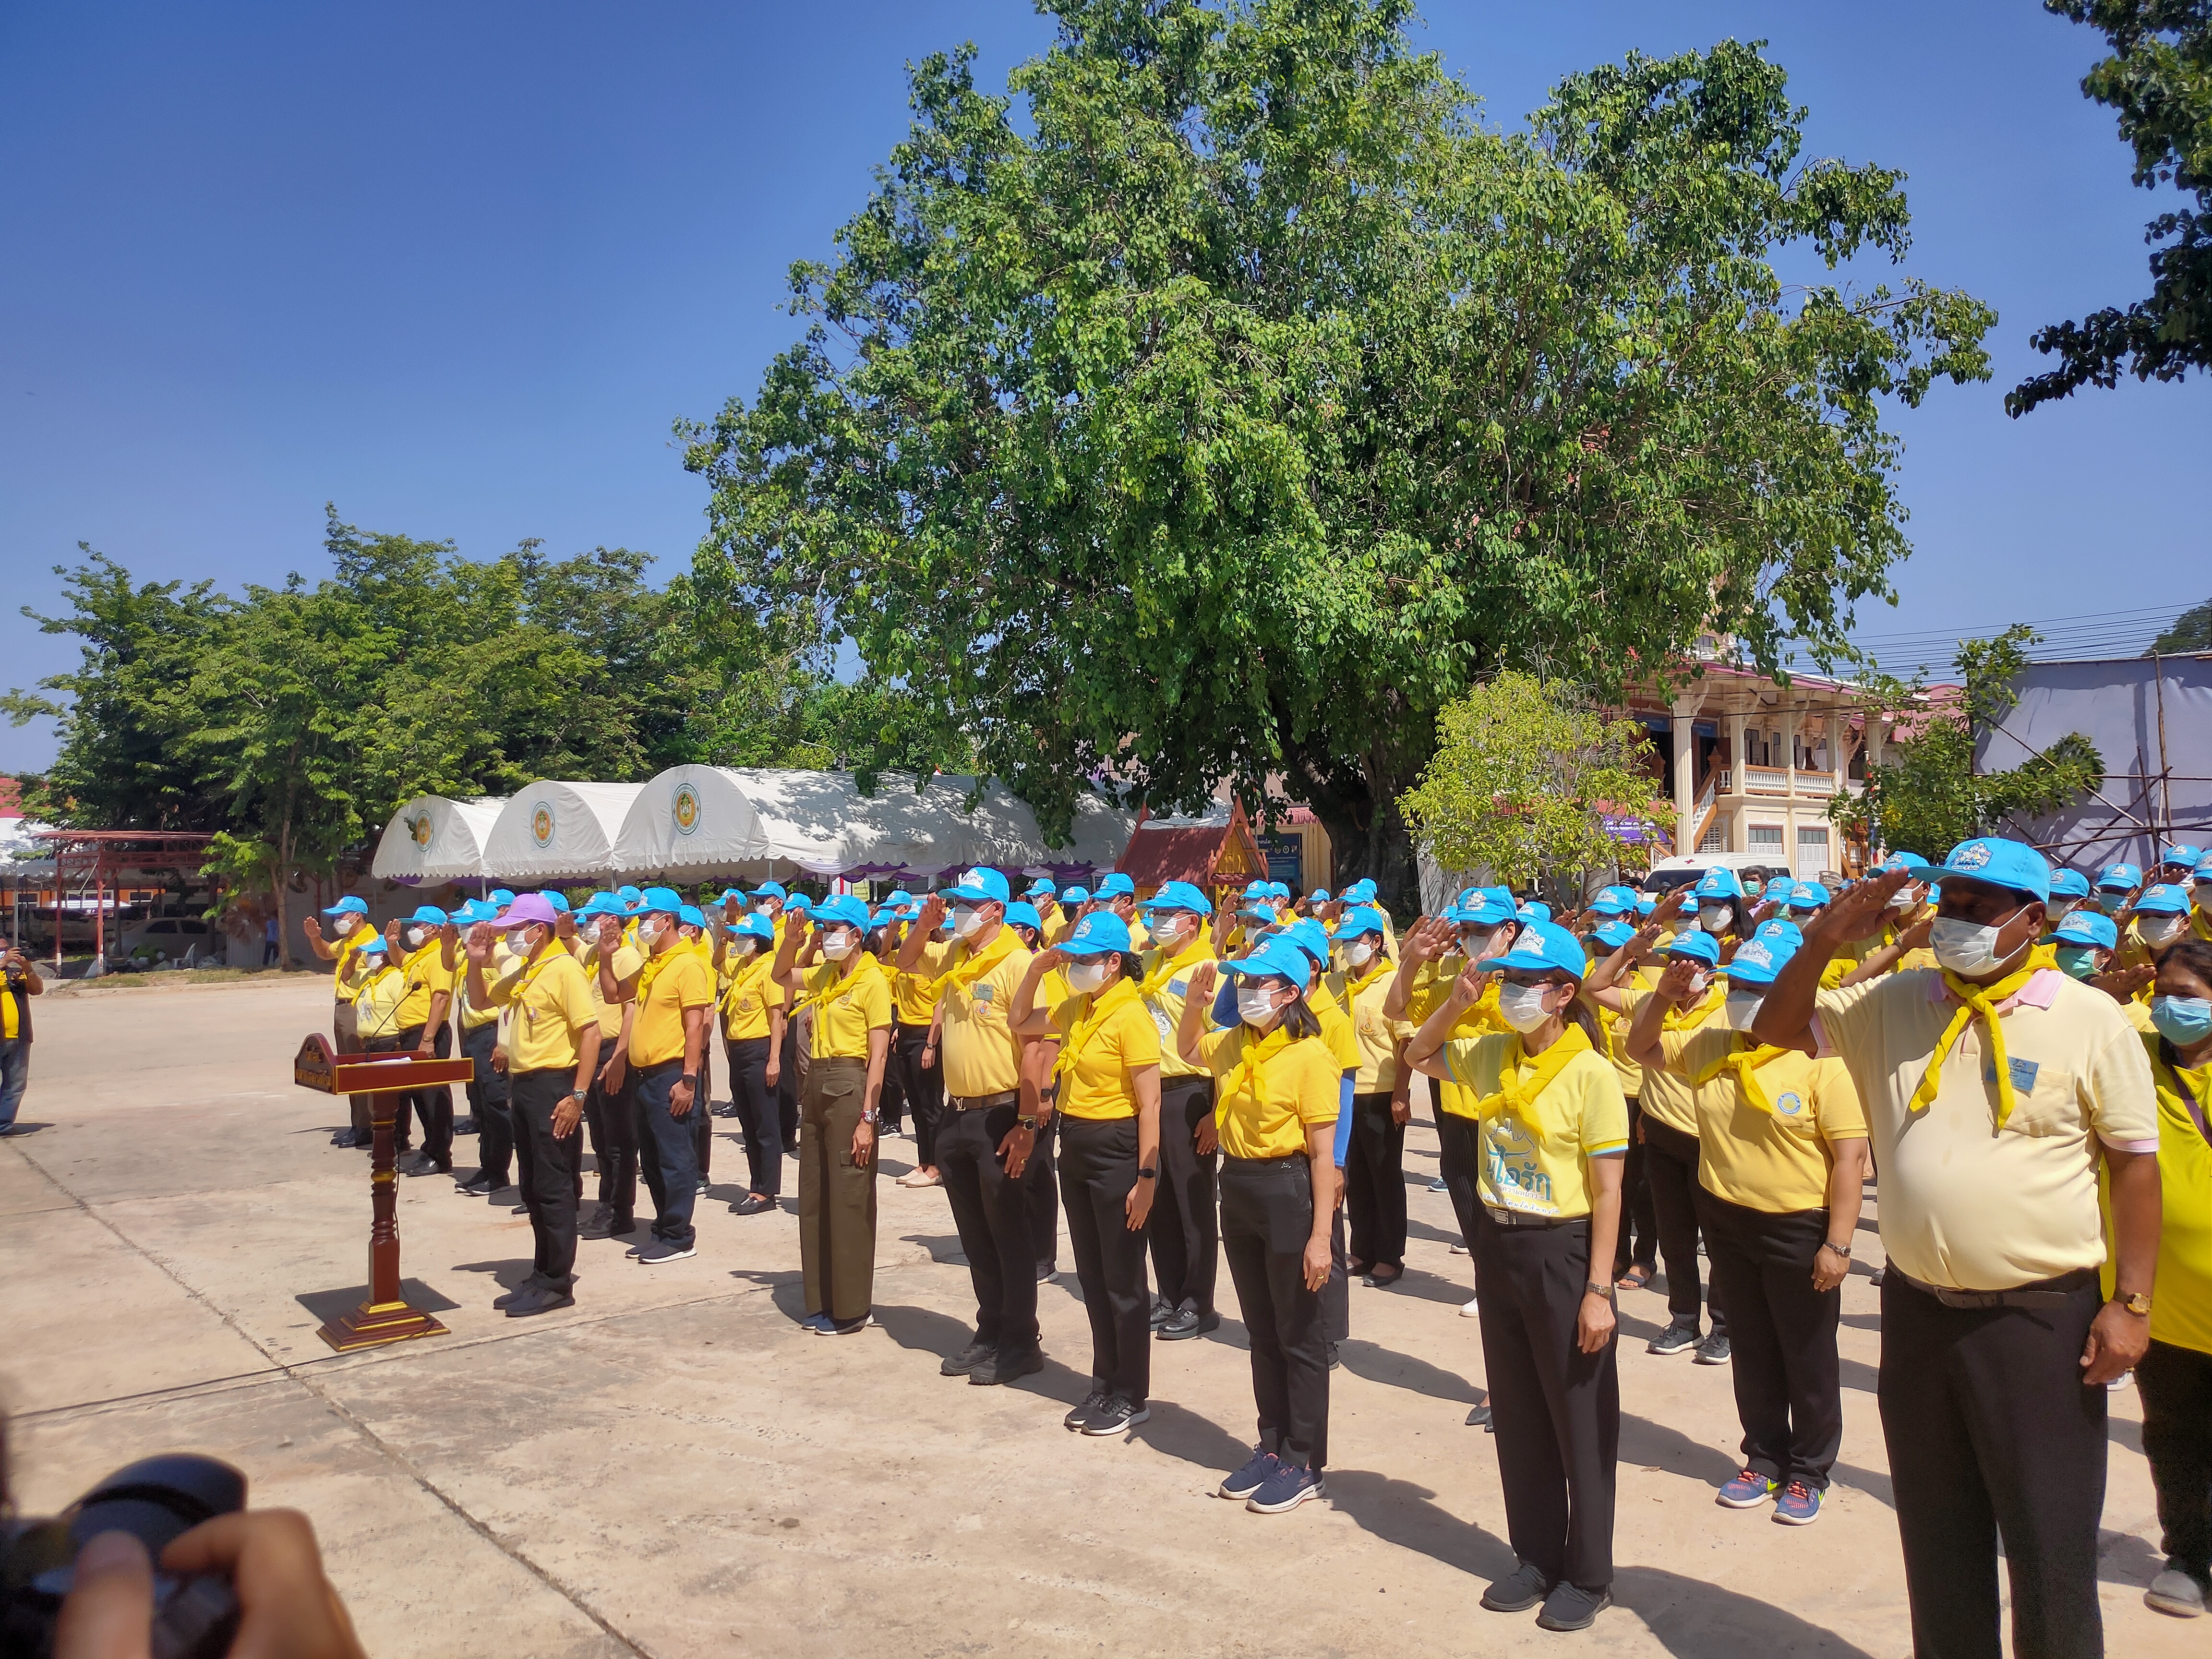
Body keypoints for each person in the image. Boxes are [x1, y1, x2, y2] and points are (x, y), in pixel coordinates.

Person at [1750, 835, 2159, 1659]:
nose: (1957, 920)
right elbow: (1775, 1025)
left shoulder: (2088, 1018)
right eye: (1950, 903)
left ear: (2032, 920)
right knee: (1937, 1538)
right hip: (1918, 1315)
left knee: (2048, 1545)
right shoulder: (1894, 1000)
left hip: (2038, 1321)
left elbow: (2133, 1165)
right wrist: (1823, 939)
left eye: (1980, 907)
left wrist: (2130, 1302)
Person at [1405, 920, 1627, 1633]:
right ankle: (1536, 1557)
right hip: (1499, 1244)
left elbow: (1609, 1191)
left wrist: (1599, 1291)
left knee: (1579, 1416)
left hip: (1562, 1249)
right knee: (1520, 1411)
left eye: (1530, 983)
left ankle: (1588, 1573)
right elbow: (1418, 1054)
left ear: (1564, 994)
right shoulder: (1493, 1052)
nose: (1514, 994)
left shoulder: (1591, 1073)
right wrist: (1457, 1003)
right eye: (1509, 981)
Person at [1627, 918, 1868, 1526]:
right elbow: (1642, 1051)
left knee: (1806, 1355)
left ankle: (1809, 1471)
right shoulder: (1713, 1044)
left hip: (1800, 1227)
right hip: (1728, 1220)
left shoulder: (1823, 1061)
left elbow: (1850, 1160)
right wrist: (1662, 998)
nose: (1742, 999)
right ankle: (1763, 1458)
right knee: (1754, 1350)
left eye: (1759, 990)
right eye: (1738, 986)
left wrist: (1839, 1245)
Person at [1176, 936, 1340, 1515]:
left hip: (1287, 1190)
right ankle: (1271, 1446)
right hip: (1240, 1186)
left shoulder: (1311, 1056)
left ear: (1290, 994)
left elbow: (1323, 1154)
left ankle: (1304, 1459)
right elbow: (1189, 1048)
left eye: (1257, 982)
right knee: (1263, 1331)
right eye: (1242, 981)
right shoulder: (1234, 1043)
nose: (1245, 992)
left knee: (1299, 1332)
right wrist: (1194, 1005)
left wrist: (1321, 1236)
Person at [1012, 909, 1162, 1434]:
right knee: (1095, 1277)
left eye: (1085, 959)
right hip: (1075, 1143)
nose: (1075, 967)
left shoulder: (1131, 1017)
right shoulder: (1078, 1007)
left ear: (1113, 962)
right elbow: (1019, 1022)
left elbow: (1150, 1104)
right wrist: (1035, 971)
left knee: (1123, 1279)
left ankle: (1131, 1394)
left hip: (1118, 1148)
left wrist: (1147, 1179)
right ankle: (1105, 1384)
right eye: (1073, 958)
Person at [897, 871, 1045, 1382]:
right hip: (957, 1112)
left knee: (1009, 1233)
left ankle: (1021, 1341)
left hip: (1002, 1111)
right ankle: (991, 1329)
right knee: (976, 1235)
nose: (960, 910)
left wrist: (1028, 1123)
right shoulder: (957, 955)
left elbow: (1036, 1050)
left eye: (970, 903)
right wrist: (924, 925)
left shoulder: (1018, 964)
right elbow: (907, 961)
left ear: (997, 910)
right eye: (958, 901)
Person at [468, 892, 602, 1318]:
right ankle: (541, 1273)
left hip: (553, 1086)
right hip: (525, 1085)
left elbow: (592, 1033)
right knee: (532, 1186)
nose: (509, 937)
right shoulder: (530, 969)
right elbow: (482, 1001)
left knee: (553, 1186)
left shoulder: (564, 969)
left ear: (538, 930)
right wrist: (475, 962)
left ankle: (557, 1282)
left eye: (516, 930)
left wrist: (577, 1096)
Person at [1389, 888, 1522, 1317]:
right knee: (1471, 1206)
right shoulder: (1454, 984)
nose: (1471, 938)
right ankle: (1491, 1285)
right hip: (1459, 1117)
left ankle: (1516, 1289)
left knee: (1511, 1213)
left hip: (1510, 1120)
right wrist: (1413, 960)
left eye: (1481, 929)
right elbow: (1397, 1009)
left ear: (1509, 931)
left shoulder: (1524, 985)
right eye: (1465, 930)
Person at [771, 892, 893, 1335]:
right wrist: (792, 939)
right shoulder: (826, 975)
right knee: (815, 1195)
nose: (825, 937)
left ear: (856, 935)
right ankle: (822, 1299)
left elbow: (879, 1055)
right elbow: (781, 976)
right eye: (823, 929)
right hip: (816, 1083)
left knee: (848, 1197)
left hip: (850, 1084)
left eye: (833, 929)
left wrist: (868, 1119)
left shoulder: (872, 981)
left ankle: (852, 1306)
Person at [2136, 939, 2212, 1616]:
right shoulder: (2135, 1060)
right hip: (2162, 1310)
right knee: (2175, 1438)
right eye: (2162, 994)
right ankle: (2189, 1555)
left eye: (2186, 996)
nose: (2169, 1007)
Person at [603, 888, 713, 1263]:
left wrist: (689, 1080)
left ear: (667, 921)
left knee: (675, 1159)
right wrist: (606, 957)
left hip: (671, 1074)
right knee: (651, 1159)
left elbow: (694, 1027)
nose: (642, 925)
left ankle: (679, 1235)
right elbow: (614, 994)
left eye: (647, 918)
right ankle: (663, 1229)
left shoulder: (688, 965)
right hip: (645, 1076)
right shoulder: (654, 964)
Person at [1135, 881, 1223, 1339]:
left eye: (1167, 914)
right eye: (1155, 913)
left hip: (1190, 1091)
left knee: (1193, 1203)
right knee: (1160, 1200)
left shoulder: (1209, 970)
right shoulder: (1151, 963)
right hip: (1150, 1090)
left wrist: (1217, 1112)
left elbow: (1226, 1047)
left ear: (1192, 921)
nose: (1157, 921)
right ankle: (1169, 1293)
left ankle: (1198, 1301)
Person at [1333, 904, 1412, 1289]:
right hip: (1344, 1094)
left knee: (1385, 1176)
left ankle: (1389, 1255)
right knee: (1356, 1177)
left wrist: (1401, 1092)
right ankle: (1362, 1249)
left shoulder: (1392, 983)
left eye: (1356, 941)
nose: (1349, 948)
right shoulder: (1337, 984)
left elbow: (1406, 1042)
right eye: (1344, 942)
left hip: (1380, 1093)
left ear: (1377, 942)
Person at [567, 895, 643, 1239]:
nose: (587, 924)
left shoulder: (627, 956)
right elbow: (571, 948)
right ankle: (605, 1204)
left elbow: (631, 1010)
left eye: (593, 917)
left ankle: (620, 1211)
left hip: (613, 1051)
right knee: (600, 1137)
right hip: (593, 1052)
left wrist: (620, 1057)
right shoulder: (594, 955)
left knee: (618, 1140)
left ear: (612, 921)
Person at [717, 911, 786, 1215]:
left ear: (757, 941)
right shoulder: (745, 968)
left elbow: (776, 1017)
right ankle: (755, 1185)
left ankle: (767, 1191)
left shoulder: (769, 969)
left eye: (743, 936)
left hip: (759, 1050)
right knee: (748, 1124)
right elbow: (717, 963)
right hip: (740, 1051)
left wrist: (774, 1059)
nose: (738, 940)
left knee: (765, 1125)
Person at [448, 900, 514, 1196]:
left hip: (492, 1034)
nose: (463, 930)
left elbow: (507, 1002)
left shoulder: (501, 954)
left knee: (496, 1106)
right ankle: (487, 1167)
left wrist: (503, 1042)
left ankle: (498, 1173)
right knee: (482, 1108)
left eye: (468, 924)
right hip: (473, 1035)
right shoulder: (471, 954)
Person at [302, 896, 378, 1147]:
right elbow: (326, 952)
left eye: (341, 916)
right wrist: (315, 937)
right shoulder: (349, 942)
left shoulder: (369, 942)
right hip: (343, 1008)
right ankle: (359, 1124)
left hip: (357, 1009)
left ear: (357, 916)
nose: (337, 921)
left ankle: (366, 1126)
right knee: (349, 1070)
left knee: (359, 1070)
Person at [391, 905, 458, 1177]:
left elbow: (441, 998)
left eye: (419, 925)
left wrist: (428, 1039)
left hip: (428, 1033)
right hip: (412, 1034)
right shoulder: (421, 955)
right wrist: (392, 942)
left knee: (433, 1096)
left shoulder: (440, 956)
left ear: (435, 930)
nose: (413, 930)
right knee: (420, 1096)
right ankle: (430, 1149)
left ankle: (440, 1154)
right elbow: (400, 960)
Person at [888, 900, 947, 1190]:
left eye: (916, 924)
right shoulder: (907, 958)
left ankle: (938, 1165)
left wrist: (931, 1045)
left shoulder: (935, 959)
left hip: (927, 1034)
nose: (912, 929)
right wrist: (899, 1027)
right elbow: (884, 957)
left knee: (931, 1105)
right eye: (911, 924)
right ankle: (924, 1162)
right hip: (907, 1032)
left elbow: (939, 1005)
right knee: (916, 1103)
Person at [0, 936, 43, 1134]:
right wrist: (3, 962)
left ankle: (3, 1124)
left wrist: (28, 969)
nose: (6, 953)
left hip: (19, 1038)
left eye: (7, 949)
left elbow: (37, 990)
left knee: (16, 1084)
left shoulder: (14, 972)